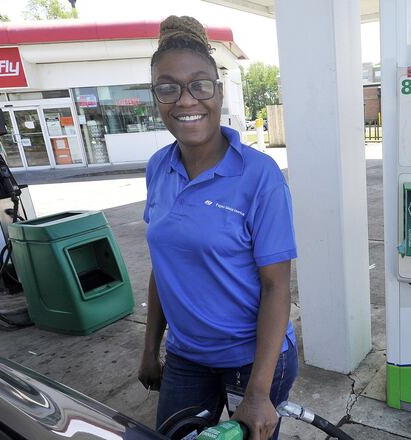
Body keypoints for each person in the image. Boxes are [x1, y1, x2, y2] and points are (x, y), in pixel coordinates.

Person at [138, 16, 298, 440]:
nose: (186, 100)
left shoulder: (258, 175)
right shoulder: (158, 167)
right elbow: (163, 265)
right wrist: (150, 349)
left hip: (254, 359)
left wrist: (259, 393)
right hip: (186, 356)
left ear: (218, 91)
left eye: (200, 85)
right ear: (156, 96)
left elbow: (277, 287)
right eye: (168, 87)